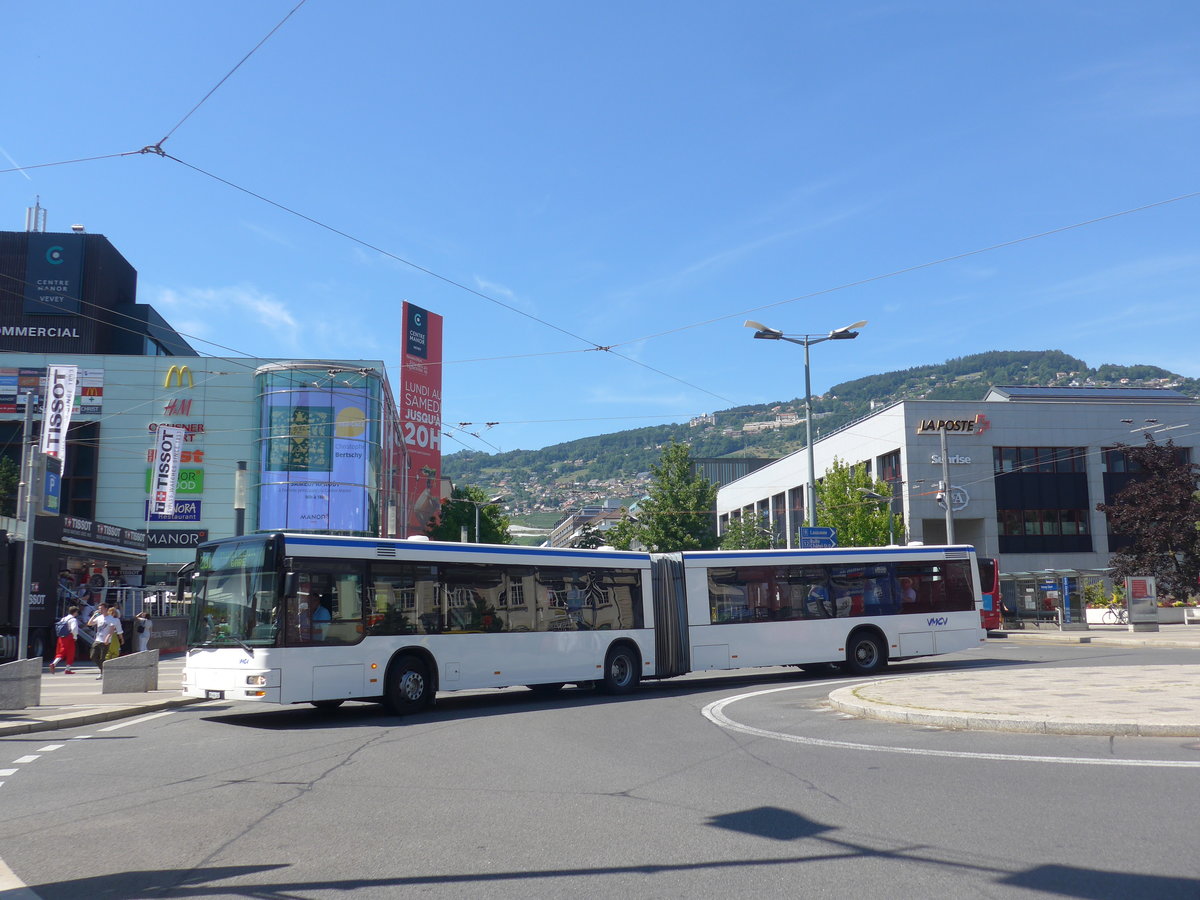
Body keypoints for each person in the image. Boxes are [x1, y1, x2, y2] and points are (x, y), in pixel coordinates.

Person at [88, 604, 120, 679]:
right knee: (93, 656)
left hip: (105, 641)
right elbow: (89, 623)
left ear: (106, 609)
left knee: (103, 658)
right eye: (99, 609)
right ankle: (103, 670)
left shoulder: (110, 618)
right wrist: (94, 615)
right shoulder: (99, 617)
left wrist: (108, 637)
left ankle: (102, 673)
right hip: (98, 639)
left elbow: (112, 630)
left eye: (101, 609)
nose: (100, 610)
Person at [49, 606, 82, 674]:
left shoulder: (63, 618)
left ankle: (65, 668)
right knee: (70, 652)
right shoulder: (73, 619)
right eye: (77, 612)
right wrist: (75, 637)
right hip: (69, 637)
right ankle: (57, 665)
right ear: (75, 612)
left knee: (61, 651)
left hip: (61, 637)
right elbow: (74, 629)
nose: (77, 614)